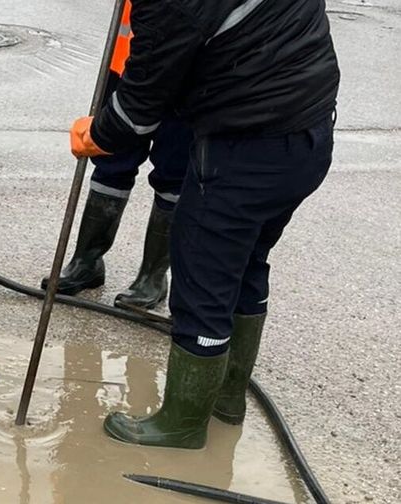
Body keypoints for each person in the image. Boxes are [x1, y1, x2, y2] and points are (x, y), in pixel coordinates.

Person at [70, 0, 339, 449]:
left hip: (246, 147)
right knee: (248, 261)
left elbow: (140, 108)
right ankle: (228, 400)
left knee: (203, 278)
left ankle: (181, 423)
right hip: (308, 133)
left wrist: (96, 133)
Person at [42, 0, 192, 314]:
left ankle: (152, 277)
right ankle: (87, 261)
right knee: (111, 156)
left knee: (174, 172)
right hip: (130, 60)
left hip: (188, 71)